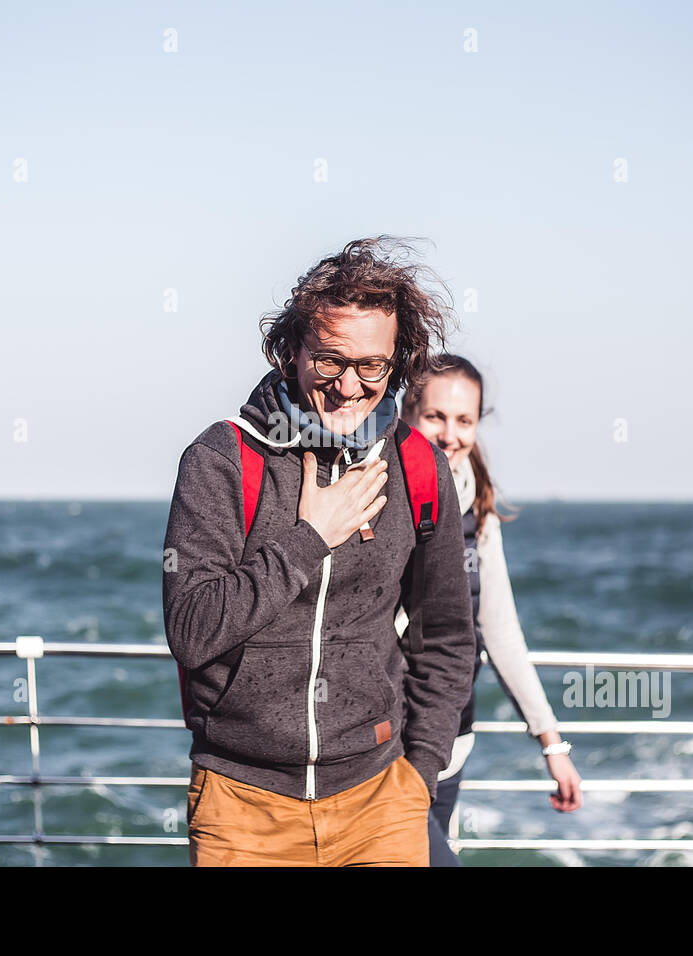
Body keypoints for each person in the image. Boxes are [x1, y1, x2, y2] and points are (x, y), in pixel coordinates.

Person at [162, 237, 478, 866]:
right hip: (242, 805)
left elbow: (445, 635)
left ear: (397, 363)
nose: (349, 385)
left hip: (381, 801)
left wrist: (422, 772)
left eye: (372, 365)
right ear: (291, 351)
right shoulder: (222, 459)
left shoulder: (418, 466)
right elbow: (192, 630)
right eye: (330, 360)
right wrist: (309, 539)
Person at [400, 354, 583, 866]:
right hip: (386, 748)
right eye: (435, 416)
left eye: (464, 421)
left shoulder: (476, 506)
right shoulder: (379, 494)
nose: (449, 435)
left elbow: (499, 631)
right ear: (408, 412)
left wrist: (552, 744)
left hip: (452, 744)